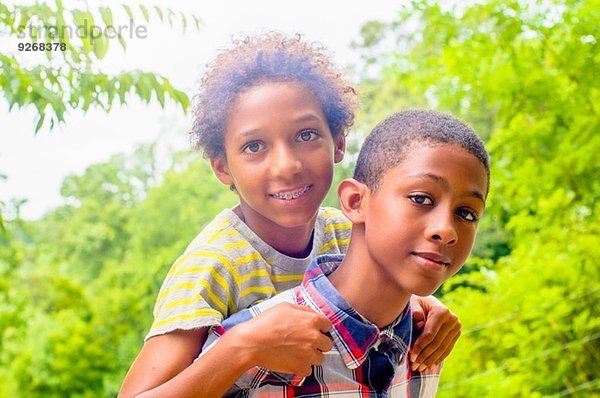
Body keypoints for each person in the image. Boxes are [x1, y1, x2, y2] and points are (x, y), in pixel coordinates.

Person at [119, 34, 461, 398]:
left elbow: (378, 291)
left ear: (339, 142)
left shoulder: (344, 230)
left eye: (306, 134)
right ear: (222, 168)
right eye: (254, 146)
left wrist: (423, 306)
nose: (287, 165)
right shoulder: (212, 267)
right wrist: (241, 347)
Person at [202, 109, 490, 397]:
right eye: (421, 199)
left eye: (466, 213)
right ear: (355, 202)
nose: (447, 230)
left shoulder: (428, 341)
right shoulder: (255, 343)